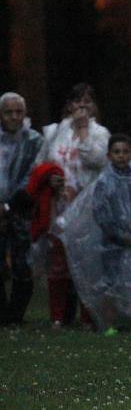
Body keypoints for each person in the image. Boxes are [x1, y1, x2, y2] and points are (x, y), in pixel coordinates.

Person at [56, 134, 131, 333]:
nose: (121, 156)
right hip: (111, 243)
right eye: (116, 152)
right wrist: (121, 237)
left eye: (125, 151)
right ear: (109, 155)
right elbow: (101, 214)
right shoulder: (104, 182)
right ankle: (110, 325)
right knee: (110, 285)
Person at [36, 83, 110, 328]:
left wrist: (83, 130)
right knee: (58, 264)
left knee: (86, 263)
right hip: (60, 207)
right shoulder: (55, 132)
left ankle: (87, 317)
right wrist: (50, 178)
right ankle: (58, 317)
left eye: (87, 102)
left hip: (87, 208)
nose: (82, 106)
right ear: (69, 106)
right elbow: (41, 164)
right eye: (77, 102)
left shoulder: (100, 132)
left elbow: (97, 159)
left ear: (94, 106)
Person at [0, 92, 43, 324]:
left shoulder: (34, 140)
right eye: (9, 112)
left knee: (22, 265)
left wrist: (8, 207)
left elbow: (31, 177)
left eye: (19, 112)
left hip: (21, 210)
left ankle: (15, 316)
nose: (14, 117)